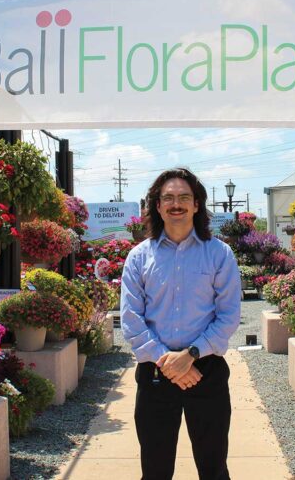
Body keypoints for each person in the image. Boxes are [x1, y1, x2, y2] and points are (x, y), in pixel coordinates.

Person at [120, 167, 242, 480]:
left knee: (214, 468)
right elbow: (131, 319)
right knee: (155, 470)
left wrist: (190, 356)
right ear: (157, 206)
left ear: (197, 205)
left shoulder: (219, 254)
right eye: (169, 198)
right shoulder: (138, 257)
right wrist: (168, 361)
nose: (177, 204)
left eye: (184, 197)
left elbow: (228, 315)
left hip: (207, 371)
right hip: (155, 375)